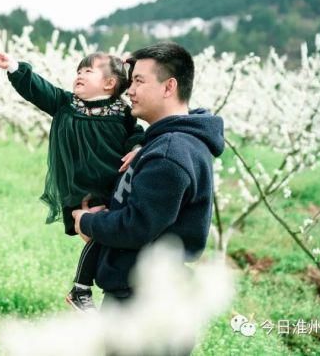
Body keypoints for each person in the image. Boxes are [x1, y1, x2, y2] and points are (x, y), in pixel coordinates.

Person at [72, 42, 224, 308]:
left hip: (144, 303)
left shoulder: (169, 153)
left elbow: (136, 227)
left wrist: (87, 222)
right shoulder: (168, 142)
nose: (129, 90)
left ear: (169, 87)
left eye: (139, 81)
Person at [0, 52, 144, 312]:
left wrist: (139, 147)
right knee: (100, 233)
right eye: (78, 70)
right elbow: (39, 89)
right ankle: (81, 288)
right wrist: (15, 68)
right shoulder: (66, 104)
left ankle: (109, 289)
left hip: (115, 188)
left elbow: (135, 135)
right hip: (83, 190)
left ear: (109, 83)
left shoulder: (123, 113)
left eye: (88, 71)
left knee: (109, 237)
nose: (79, 75)